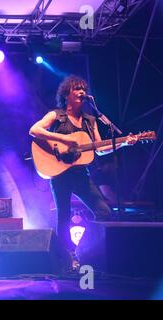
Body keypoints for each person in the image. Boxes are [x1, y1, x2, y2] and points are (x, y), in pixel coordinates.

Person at [29, 75, 137, 268]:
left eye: (83, 89)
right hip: (60, 175)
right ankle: (67, 256)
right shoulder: (57, 115)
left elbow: (99, 148)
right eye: (76, 89)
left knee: (103, 212)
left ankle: (87, 252)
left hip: (81, 176)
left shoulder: (90, 120)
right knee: (64, 215)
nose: (81, 92)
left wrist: (122, 143)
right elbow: (34, 130)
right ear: (66, 94)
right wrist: (64, 140)